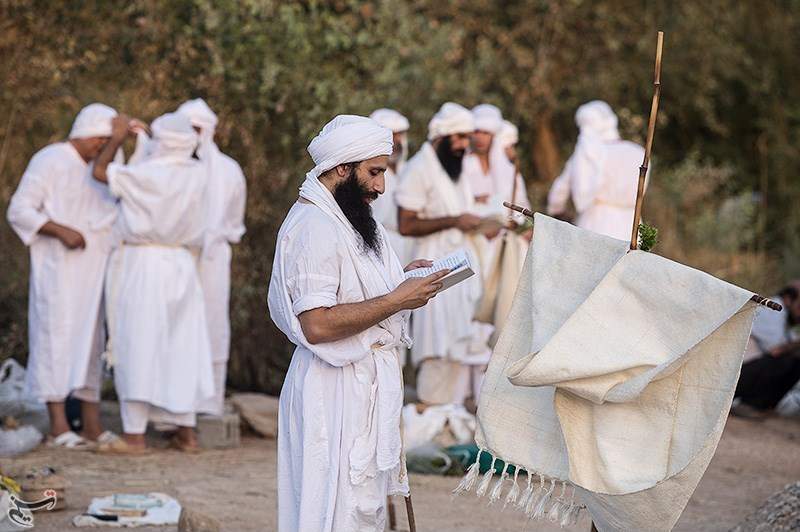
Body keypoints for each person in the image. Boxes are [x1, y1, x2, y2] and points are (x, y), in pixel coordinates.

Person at [268, 114, 447, 531]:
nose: (381, 187)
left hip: (361, 385)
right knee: (331, 513)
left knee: (360, 510)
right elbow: (316, 324)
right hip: (331, 393)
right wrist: (395, 299)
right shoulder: (315, 225)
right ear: (343, 167)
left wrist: (401, 279)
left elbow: (351, 290)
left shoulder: (347, 217)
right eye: (375, 172)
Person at [92, 112, 215, 454]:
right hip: (181, 262)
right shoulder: (199, 175)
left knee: (138, 344)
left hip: (143, 263)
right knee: (182, 347)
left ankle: (134, 436)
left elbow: (101, 173)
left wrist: (118, 137)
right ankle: (186, 433)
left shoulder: (147, 174)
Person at [6, 103, 124, 449]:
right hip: (58, 271)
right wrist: (60, 230)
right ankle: (59, 428)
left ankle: (91, 425)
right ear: (87, 136)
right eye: (102, 142)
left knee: (92, 345)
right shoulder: (50, 159)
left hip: (95, 272)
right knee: (54, 342)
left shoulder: (103, 168)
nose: (104, 149)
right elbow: (20, 208)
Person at [395, 102, 496, 406]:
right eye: (460, 138)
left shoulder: (455, 170)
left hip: (459, 263)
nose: (466, 145)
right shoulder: (418, 168)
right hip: (433, 260)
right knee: (436, 346)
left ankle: (446, 421)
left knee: (456, 346)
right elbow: (406, 223)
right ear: (442, 137)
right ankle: (430, 418)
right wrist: (455, 221)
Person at [177, 98, 247, 416]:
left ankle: (209, 405)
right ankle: (172, 410)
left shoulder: (230, 171)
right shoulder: (164, 168)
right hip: (173, 259)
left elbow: (234, 223)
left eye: (197, 129)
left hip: (213, 260)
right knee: (173, 327)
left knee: (212, 325)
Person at [546, 100, 645, 240]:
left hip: (595, 224)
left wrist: (557, 211)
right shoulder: (638, 152)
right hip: (633, 225)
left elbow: (559, 192)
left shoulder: (586, 155)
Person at [733, 283, 800, 419]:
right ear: (788, 299)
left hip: (746, 371)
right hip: (735, 372)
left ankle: (761, 406)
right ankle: (749, 405)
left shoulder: (784, 321)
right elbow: (776, 350)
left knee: (795, 362)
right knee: (783, 361)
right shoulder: (771, 310)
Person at [368, 108, 413, 266]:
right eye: (391, 135)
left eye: (399, 134)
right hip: (380, 248)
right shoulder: (370, 176)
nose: (396, 140)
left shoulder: (407, 170)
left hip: (407, 247)